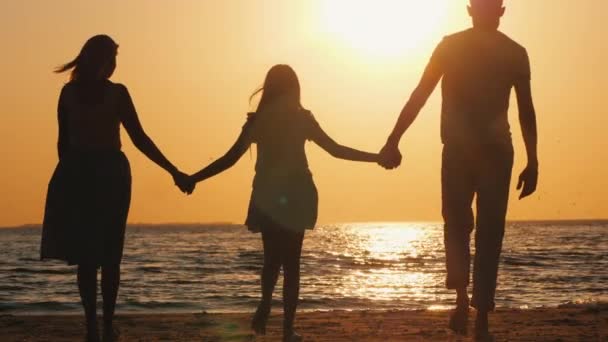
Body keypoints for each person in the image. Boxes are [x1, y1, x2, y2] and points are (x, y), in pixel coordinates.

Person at [179, 64, 380, 342]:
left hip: (269, 194)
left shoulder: (258, 121)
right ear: (294, 89)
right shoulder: (302, 119)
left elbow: (229, 159)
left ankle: (265, 303)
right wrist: (377, 158)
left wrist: (194, 178)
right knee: (292, 263)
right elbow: (336, 150)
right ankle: (287, 329)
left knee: (272, 260)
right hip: (297, 192)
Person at [378, 0, 539, 338]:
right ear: (500, 11)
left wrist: (394, 140)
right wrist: (533, 159)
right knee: (485, 230)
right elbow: (525, 110)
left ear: (472, 10)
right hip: (486, 151)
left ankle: (467, 303)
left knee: (459, 225)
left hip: (471, 152)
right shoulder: (510, 51)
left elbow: (420, 94)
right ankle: (474, 312)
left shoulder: (456, 47)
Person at [40, 35, 191, 342]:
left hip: (77, 173)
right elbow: (140, 138)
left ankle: (93, 327)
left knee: (86, 256)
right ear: (106, 61)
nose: (114, 65)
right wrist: (174, 170)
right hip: (109, 175)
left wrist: (68, 177)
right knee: (109, 255)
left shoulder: (68, 93)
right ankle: (106, 326)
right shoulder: (116, 94)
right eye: (113, 58)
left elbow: (63, 143)